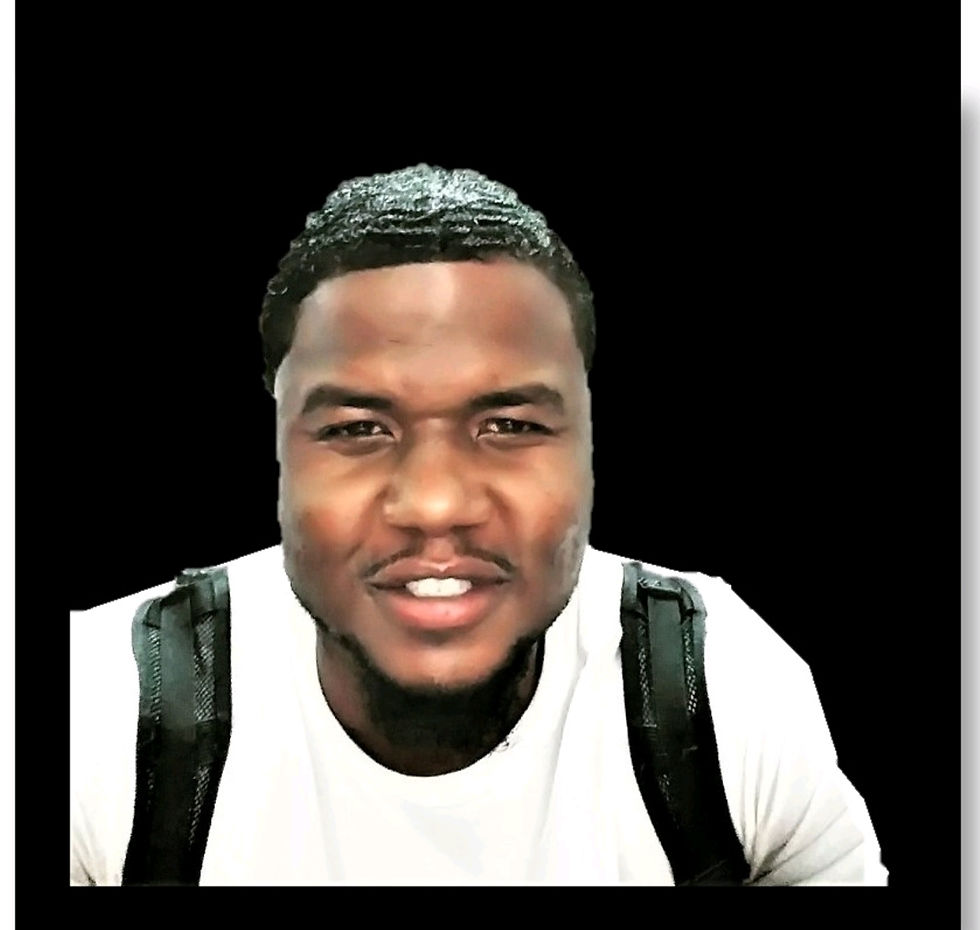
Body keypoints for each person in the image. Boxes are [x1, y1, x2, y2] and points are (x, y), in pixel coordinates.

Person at [69, 164, 887, 886]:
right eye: (358, 428)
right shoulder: (99, 710)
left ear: (589, 445)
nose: (436, 505)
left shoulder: (719, 687)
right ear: (279, 447)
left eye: (510, 425)